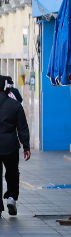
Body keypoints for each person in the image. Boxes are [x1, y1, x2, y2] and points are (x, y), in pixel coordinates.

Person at [0, 75, 31, 216]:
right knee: (12, 173)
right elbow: (22, 127)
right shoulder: (15, 105)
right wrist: (26, 147)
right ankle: (12, 198)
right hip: (10, 146)